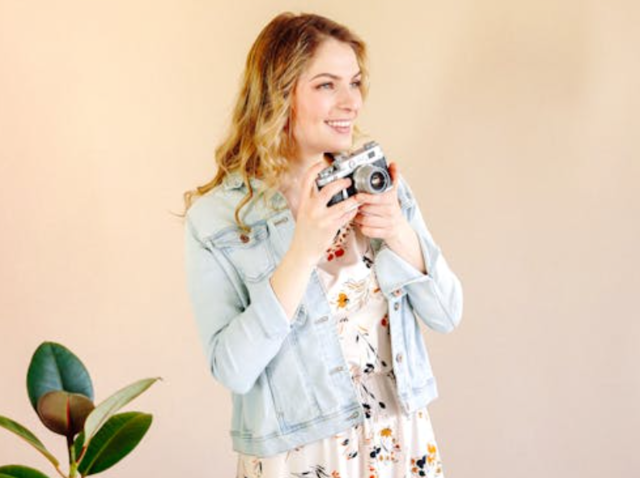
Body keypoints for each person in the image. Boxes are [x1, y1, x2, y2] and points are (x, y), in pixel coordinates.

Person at [183, 12, 463, 478]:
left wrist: (397, 230)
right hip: (298, 454)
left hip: (398, 440)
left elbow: (447, 313)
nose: (351, 102)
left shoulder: (376, 185)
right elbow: (232, 369)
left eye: (354, 83)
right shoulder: (217, 219)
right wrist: (303, 252)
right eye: (327, 85)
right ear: (278, 94)